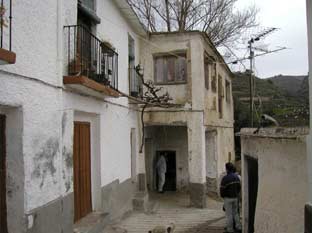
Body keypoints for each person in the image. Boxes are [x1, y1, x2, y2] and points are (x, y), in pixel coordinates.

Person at [220, 162, 242, 233]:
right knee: (236, 213)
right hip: (235, 198)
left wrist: (223, 196)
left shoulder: (225, 178)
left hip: (228, 198)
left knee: (229, 214)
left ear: (227, 169)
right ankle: (238, 227)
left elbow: (222, 189)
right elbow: (239, 187)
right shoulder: (237, 177)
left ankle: (230, 230)